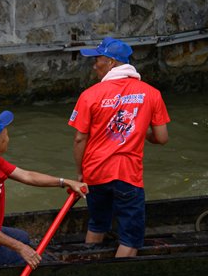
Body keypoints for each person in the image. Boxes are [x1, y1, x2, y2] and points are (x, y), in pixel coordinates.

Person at [69, 37, 170, 258]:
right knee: (130, 240)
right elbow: (162, 137)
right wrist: (139, 129)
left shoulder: (90, 95)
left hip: (95, 173)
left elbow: (79, 139)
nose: (95, 65)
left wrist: (80, 173)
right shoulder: (151, 93)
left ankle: (87, 268)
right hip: (128, 175)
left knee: (97, 225)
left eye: (97, 60)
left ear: (112, 62)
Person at [0, 110, 86, 268]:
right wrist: (21, 249)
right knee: (45, 263)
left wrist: (65, 182)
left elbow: (27, 176)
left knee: (23, 236)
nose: (8, 136)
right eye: (5, 131)